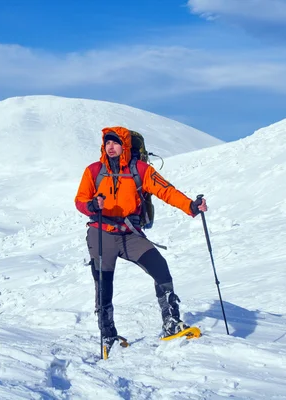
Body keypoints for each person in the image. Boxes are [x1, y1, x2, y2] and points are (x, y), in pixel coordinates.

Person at [74, 126, 208, 348]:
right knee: (103, 283)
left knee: (161, 269)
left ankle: (171, 322)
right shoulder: (94, 170)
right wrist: (90, 205)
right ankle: (108, 334)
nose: (110, 147)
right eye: (107, 143)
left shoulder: (141, 170)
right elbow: (80, 199)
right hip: (101, 232)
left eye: (115, 142)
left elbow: (167, 191)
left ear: (125, 146)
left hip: (130, 234)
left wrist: (191, 206)